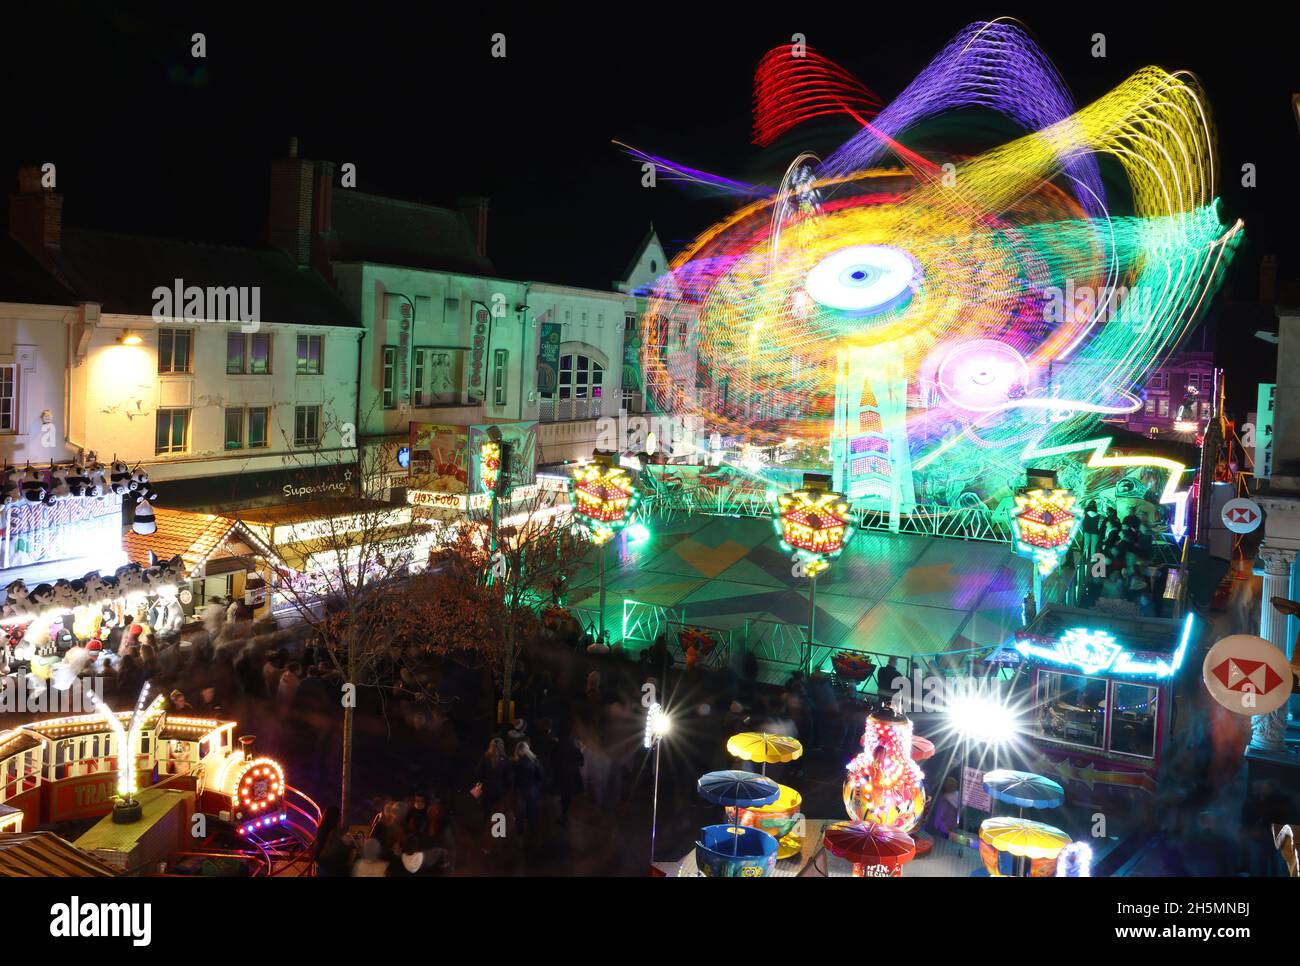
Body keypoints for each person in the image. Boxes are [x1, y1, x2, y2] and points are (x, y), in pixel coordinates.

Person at [512, 740, 544, 839]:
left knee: (520, 815)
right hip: (533, 791)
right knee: (533, 814)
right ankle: (533, 835)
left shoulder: (516, 763)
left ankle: (520, 837)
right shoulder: (535, 761)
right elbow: (541, 776)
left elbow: (514, 779)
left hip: (521, 791)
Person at [312, 805, 355, 877]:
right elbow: (346, 850)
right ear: (337, 818)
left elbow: (318, 848)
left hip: (321, 864)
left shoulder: (321, 829)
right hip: (333, 867)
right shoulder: (336, 832)